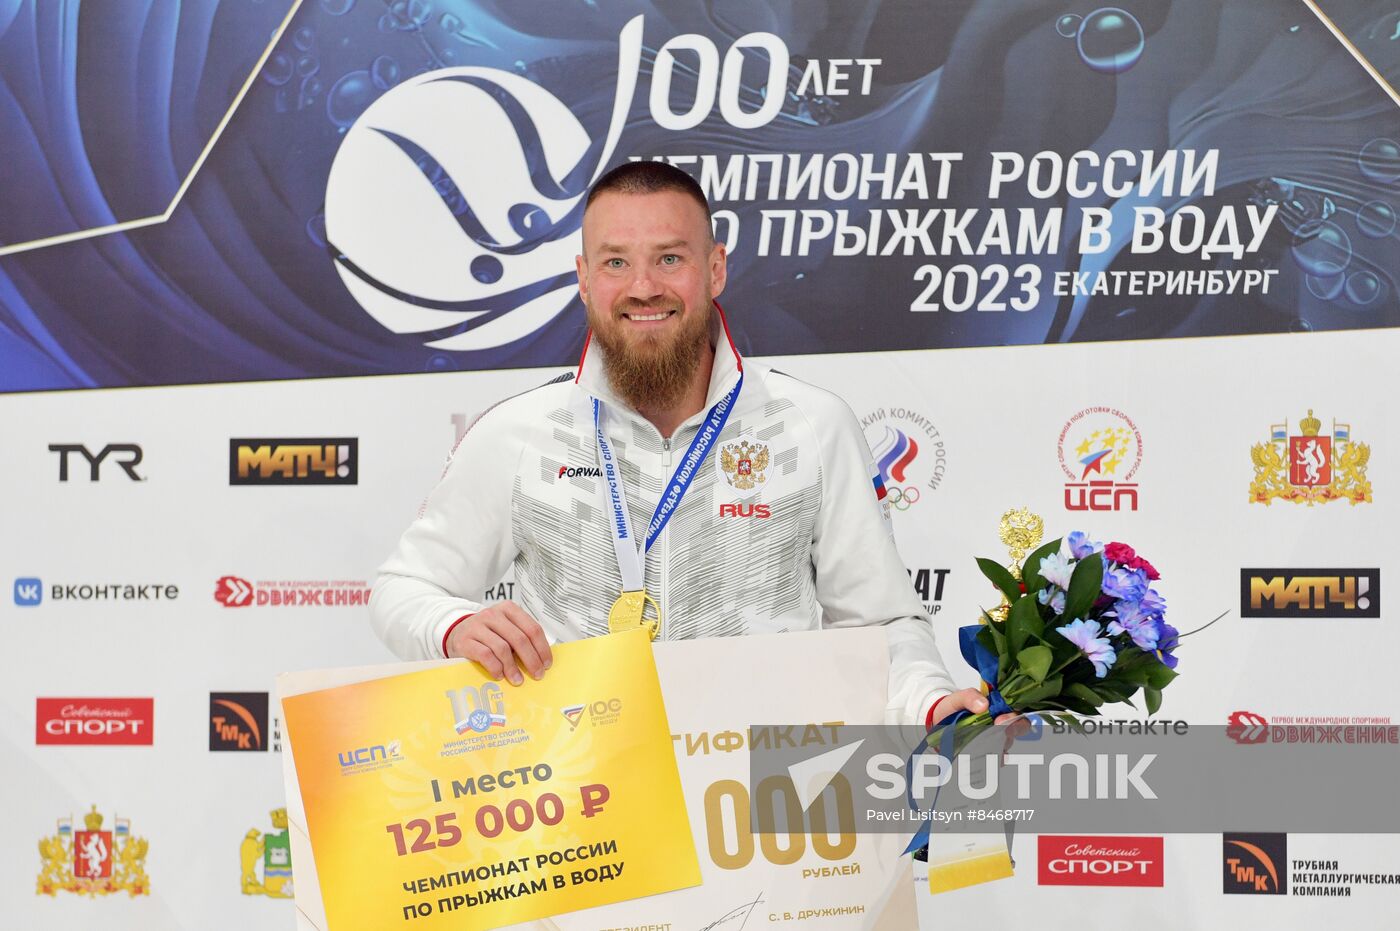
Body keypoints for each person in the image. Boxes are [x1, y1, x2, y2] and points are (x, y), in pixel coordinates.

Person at [369, 160, 998, 728]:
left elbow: (882, 623)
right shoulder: (518, 434)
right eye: (616, 262)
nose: (643, 286)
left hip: (765, 806)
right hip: (588, 804)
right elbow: (403, 590)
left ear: (715, 268)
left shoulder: (812, 424)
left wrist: (931, 704)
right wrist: (454, 625)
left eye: (670, 258)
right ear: (584, 279)